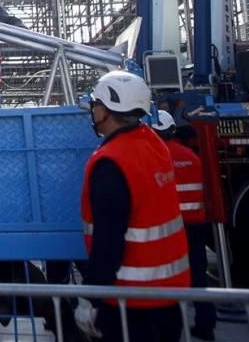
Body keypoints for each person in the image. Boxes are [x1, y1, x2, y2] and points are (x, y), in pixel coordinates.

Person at [79, 71, 189, 342]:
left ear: (106, 109)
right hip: (170, 294)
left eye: (95, 105)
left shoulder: (112, 162)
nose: (93, 111)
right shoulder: (155, 145)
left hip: (130, 301)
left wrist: (91, 297)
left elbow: (109, 241)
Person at [152, 110, 216, 340]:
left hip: (169, 229)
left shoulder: (156, 157)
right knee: (198, 278)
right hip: (196, 226)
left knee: (168, 280)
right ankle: (206, 326)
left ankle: (171, 328)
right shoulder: (190, 156)